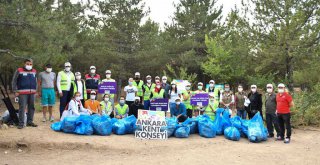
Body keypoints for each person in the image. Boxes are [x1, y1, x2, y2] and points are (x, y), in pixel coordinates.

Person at [12, 58, 38, 129]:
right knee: (22, 107)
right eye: (27, 64)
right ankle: (21, 123)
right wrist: (15, 90)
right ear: (24, 64)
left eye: (30, 64)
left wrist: (36, 90)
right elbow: (14, 81)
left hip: (32, 93)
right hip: (22, 93)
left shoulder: (34, 71)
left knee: (31, 107)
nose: (29, 65)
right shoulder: (19, 70)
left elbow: (36, 81)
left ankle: (30, 121)